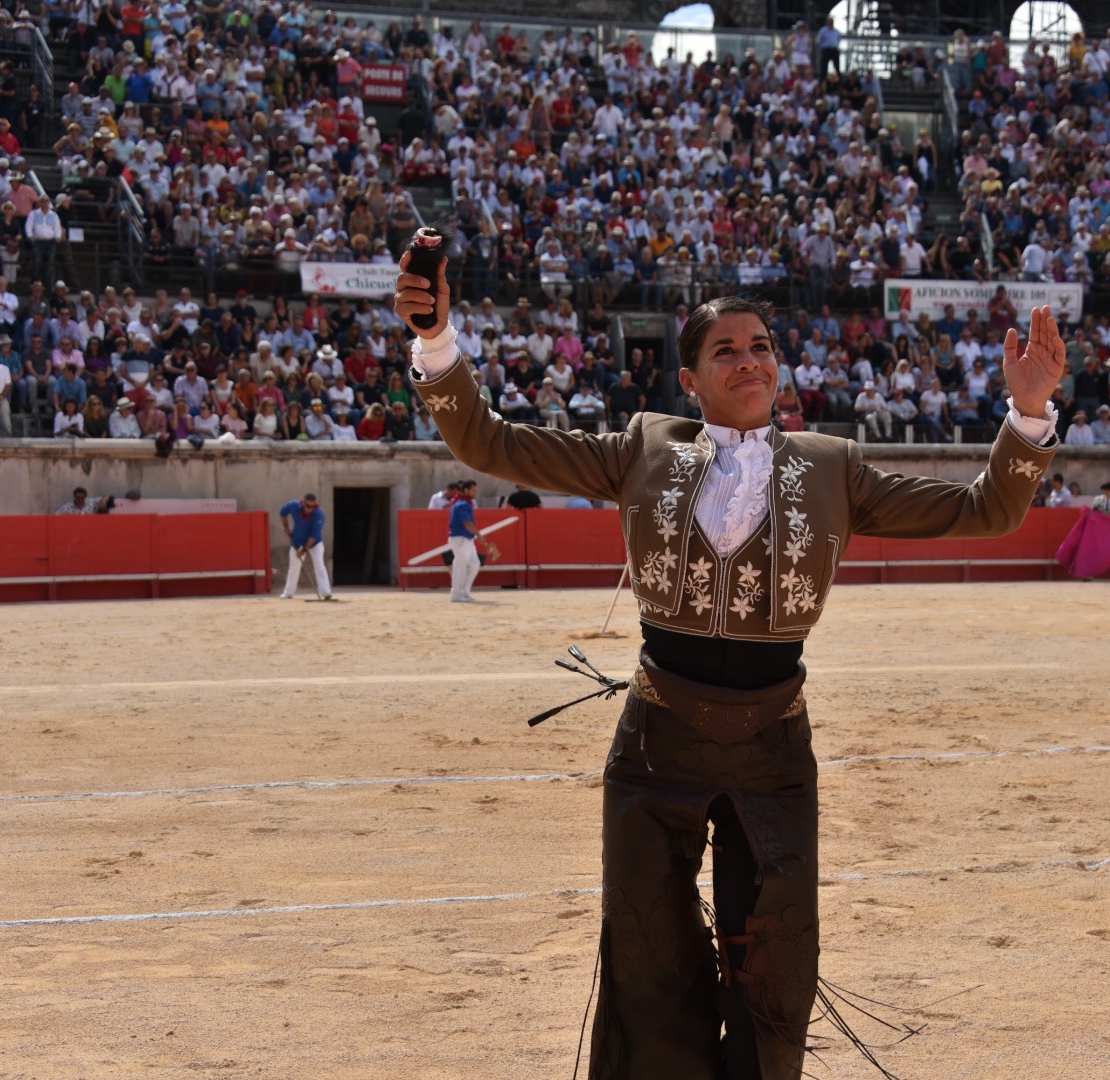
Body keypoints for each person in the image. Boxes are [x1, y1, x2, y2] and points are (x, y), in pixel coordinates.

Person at [393, 248, 1064, 1080]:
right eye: (727, 351)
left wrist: (1027, 411)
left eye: (761, 347)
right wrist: (436, 339)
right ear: (690, 379)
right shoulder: (641, 447)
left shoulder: (833, 464)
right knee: (647, 950)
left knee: (775, 956)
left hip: (772, 747)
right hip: (657, 740)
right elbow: (486, 440)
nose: (750, 361)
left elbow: (986, 510)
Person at [279, 493, 334, 601]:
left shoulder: (319, 515)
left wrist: (304, 550)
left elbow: (313, 536)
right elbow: (282, 512)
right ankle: (288, 593)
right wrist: (286, 527)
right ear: (303, 503)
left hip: (315, 543)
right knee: (294, 567)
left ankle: (326, 592)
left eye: (313, 506)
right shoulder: (294, 505)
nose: (310, 509)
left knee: (319, 564)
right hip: (297, 542)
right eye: (308, 506)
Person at [447, 478, 482, 603]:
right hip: (461, 538)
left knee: (474, 564)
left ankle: (464, 592)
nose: (475, 493)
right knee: (460, 566)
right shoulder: (463, 504)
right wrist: (479, 535)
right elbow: (467, 523)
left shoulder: (463, 502)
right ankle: (457, 594)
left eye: (476, 490)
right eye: (473, 490)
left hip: (466, 538)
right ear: (466, 490)